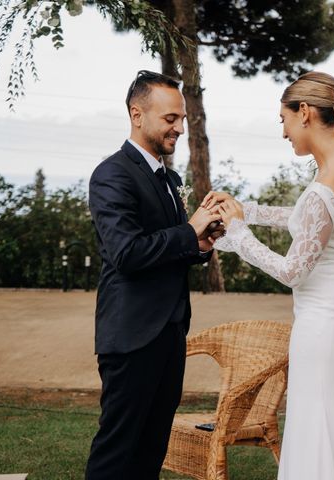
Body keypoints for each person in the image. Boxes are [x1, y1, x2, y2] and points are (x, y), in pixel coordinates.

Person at [203, 72, 334, 479]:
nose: (284, 132)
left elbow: (293, 270)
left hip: (325, 326)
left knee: (319, 429)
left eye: (283, 120)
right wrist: (246, 211)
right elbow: (309, 222)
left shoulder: (331, 181)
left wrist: (238, 233)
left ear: (304, 113)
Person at [85, 70, 222, 480]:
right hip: (131, 336)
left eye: (181, 119)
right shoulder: (111, 175)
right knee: (118, 452)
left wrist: (200, 243)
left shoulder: (169, 177)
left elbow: (167, 246)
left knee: (151, 450)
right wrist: (188, 230)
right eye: (170, 119)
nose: (180, 127)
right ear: (137, 114)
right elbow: (126, 253)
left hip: (169, 332)